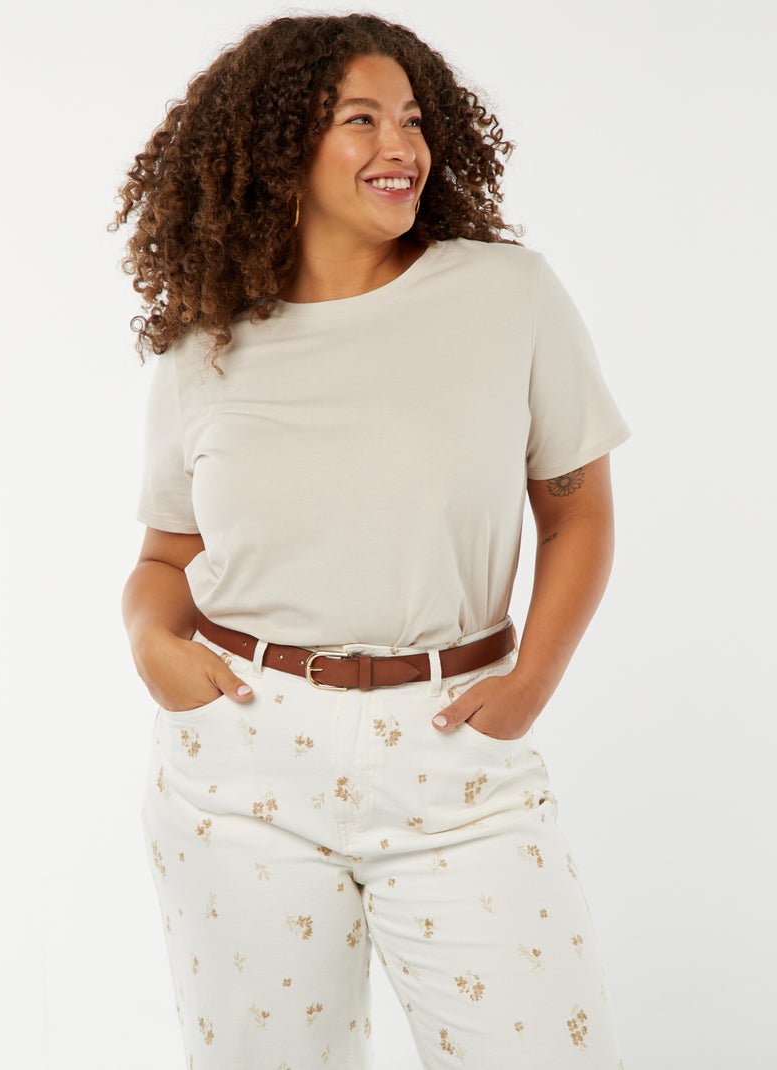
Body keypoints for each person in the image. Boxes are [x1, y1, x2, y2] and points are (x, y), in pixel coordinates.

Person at [115, 13, 629, 1069]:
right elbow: (166, 556)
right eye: (360, 119)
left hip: (453, 749)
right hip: (241, 761)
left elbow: (576, 508)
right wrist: (148, 641)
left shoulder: (506, 297)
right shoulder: (204, 346)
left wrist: (530, 681)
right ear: (278, 147)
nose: (400, 146)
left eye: (412, 119)